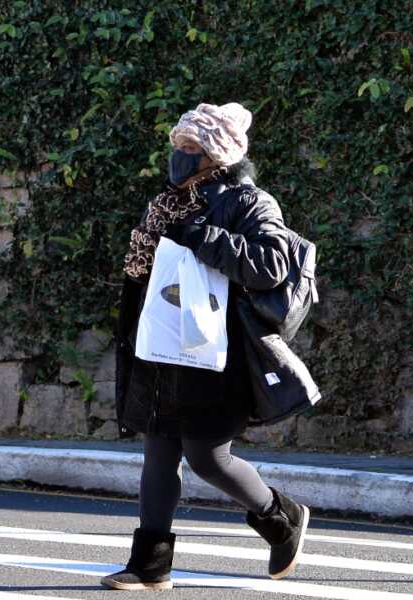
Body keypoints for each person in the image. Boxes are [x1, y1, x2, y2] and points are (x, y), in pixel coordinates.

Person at [101, 102, 311, 591]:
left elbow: (271, 265)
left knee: (206, 458)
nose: (179, 157)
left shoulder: (249, 203)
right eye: (177, 147)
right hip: (160, 345)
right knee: (158, 452)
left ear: (217, 155)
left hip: (217, 353)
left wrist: (202, 235)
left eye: (190, 149)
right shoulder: (165, 201)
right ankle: (149, 566)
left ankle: (282, 518)